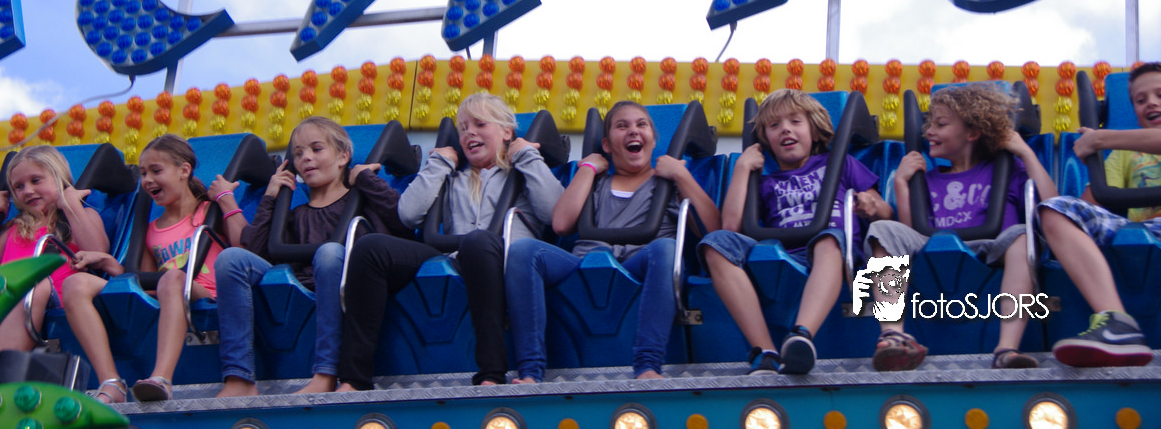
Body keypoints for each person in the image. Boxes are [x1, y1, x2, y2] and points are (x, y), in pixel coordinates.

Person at [336, 92, 564, 391]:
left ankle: (491, 372)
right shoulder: (455, 179)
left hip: (502, 257)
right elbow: (408, 214)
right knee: (371, 248)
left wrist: (526, 157)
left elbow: (554, 212)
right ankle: (354, 378)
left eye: (480, 124)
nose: (469, 133)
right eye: (463, 128)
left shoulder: (522, 172)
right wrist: (439, 163)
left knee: (478, 242)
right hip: (456, 254)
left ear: (506, 132)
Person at [504, 101, 721, 382]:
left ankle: (648, 365)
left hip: (639, 262)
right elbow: (561, 223)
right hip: (586, 264)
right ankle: (530, 371)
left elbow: (712, 230)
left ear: (654, 140)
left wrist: (681, 174)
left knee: (667, 249)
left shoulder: (667, 185)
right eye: (622, 126)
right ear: (606, 144)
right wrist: (587, 169)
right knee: (523, 250)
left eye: (641, 125)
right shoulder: (597, 183)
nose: (633, 131)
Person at [865, 83, 1057, 371]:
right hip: (936, 247)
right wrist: (902, 183)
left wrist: (1025, 153)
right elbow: (908, 233)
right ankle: (893, 334)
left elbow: (1052, 204)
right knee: (883, 231)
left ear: (972, 132)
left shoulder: (1004, 169)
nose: (929, 132)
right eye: (929, 124)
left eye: (940, 124)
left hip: (992, 246)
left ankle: (1007, 347)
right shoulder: (928, 179)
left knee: (1022, 237)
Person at [699, 89, 892, 375]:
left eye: (795, 121)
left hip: (835, 252)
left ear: (814, 130)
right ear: (766, 140)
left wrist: (871, 205)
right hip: (787, 254)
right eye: (774, 125)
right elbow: (729, 227)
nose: (785, 129)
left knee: (829, 238)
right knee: (715, 244)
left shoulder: (841, 164)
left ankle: (801, 335)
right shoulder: (766, 183)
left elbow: (887, 214)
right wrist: (742, 168)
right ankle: (765, 351)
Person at [215, 116, 410, 397]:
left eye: (316, 149)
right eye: (298, 154)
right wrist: (270, 197)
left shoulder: (362, 201)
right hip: (302, 284)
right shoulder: (296, 216)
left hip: (350, 288)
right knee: (231, 259)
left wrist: (366, 180)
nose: (306, 158)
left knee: (329, 252)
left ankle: (326, 373)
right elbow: (255, 250)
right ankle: (239, 378)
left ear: (343, 156)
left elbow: (402, 222)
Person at [61, 135, 246, 404]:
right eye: (144, 173)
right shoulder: (151, 231)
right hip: (168, 291)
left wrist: (227, 200)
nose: (147, 180)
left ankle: (161, 378)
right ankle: (111, 382)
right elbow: (145, 285)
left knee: (172, 279)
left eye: (156, 171)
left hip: (208, 294)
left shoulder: (209, 211)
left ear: (184, 170)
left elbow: (242, 247)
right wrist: (111, 264)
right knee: (74, 284)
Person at [1038, 62, 1161, 367]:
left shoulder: (1112, 141)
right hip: (1145, 230)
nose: (1151, 103)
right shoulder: (1126, 152)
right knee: (1057, 211)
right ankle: (1116, 322)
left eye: (1160, 95)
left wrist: (1101, 138)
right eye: (1141, 100)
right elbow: (1088, 206)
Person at [0, 147, 110, 354]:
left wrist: (71, 206)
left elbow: (98, 251)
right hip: (11, 304)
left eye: (36, 181)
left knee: (33, 283)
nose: (28, 190)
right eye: (19, 186)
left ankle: (0, 361)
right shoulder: (12, 230)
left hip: (58, 301)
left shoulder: (79, 217)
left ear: (59, 178)